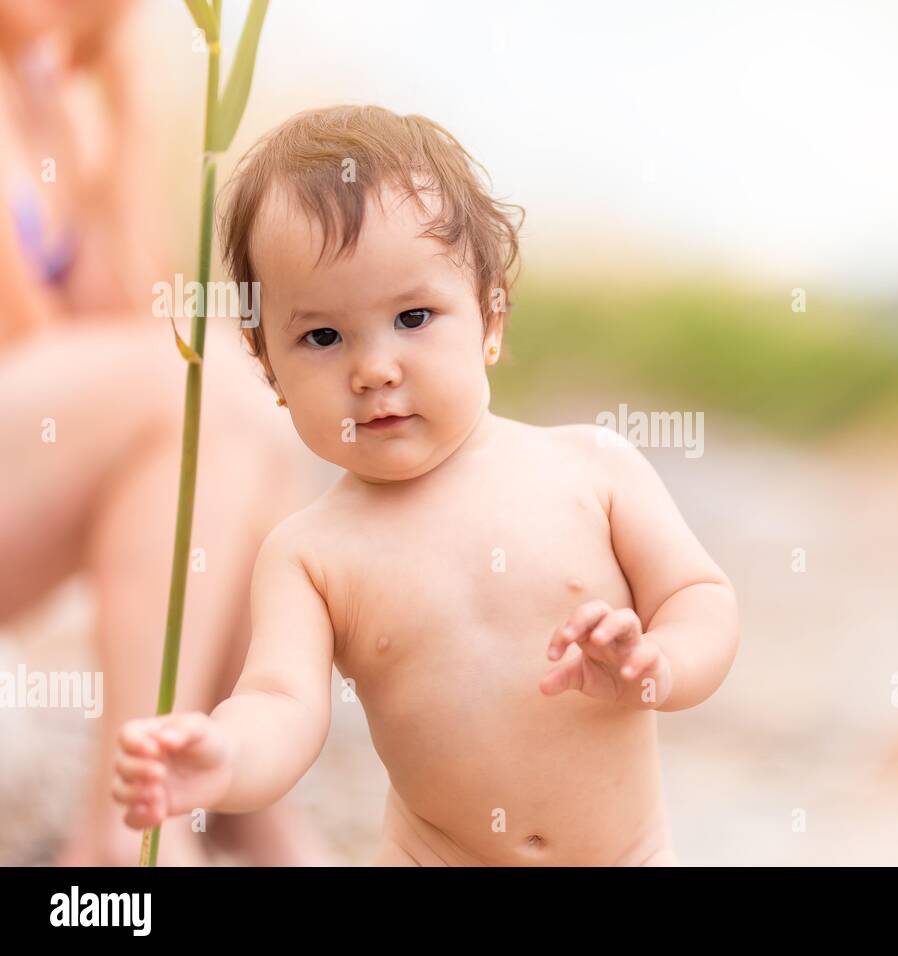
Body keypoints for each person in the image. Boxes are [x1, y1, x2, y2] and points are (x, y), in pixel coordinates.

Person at [110, 104, 740, 865]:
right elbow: (280, 704)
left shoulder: (592, 468)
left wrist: (659, 665)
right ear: (267, 364)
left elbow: (700, 599)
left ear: (491, 316)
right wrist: (224, 759)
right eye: (321, 336)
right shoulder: (309, 554)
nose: (374, 368)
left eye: (413, 316)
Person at [0, 0, 328, 865]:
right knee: (202, 383)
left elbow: (136, 315)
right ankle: (129, 828)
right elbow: (36, 339)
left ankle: (230, 801)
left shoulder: (54, 98)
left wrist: (128, 111)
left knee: (228, 392)